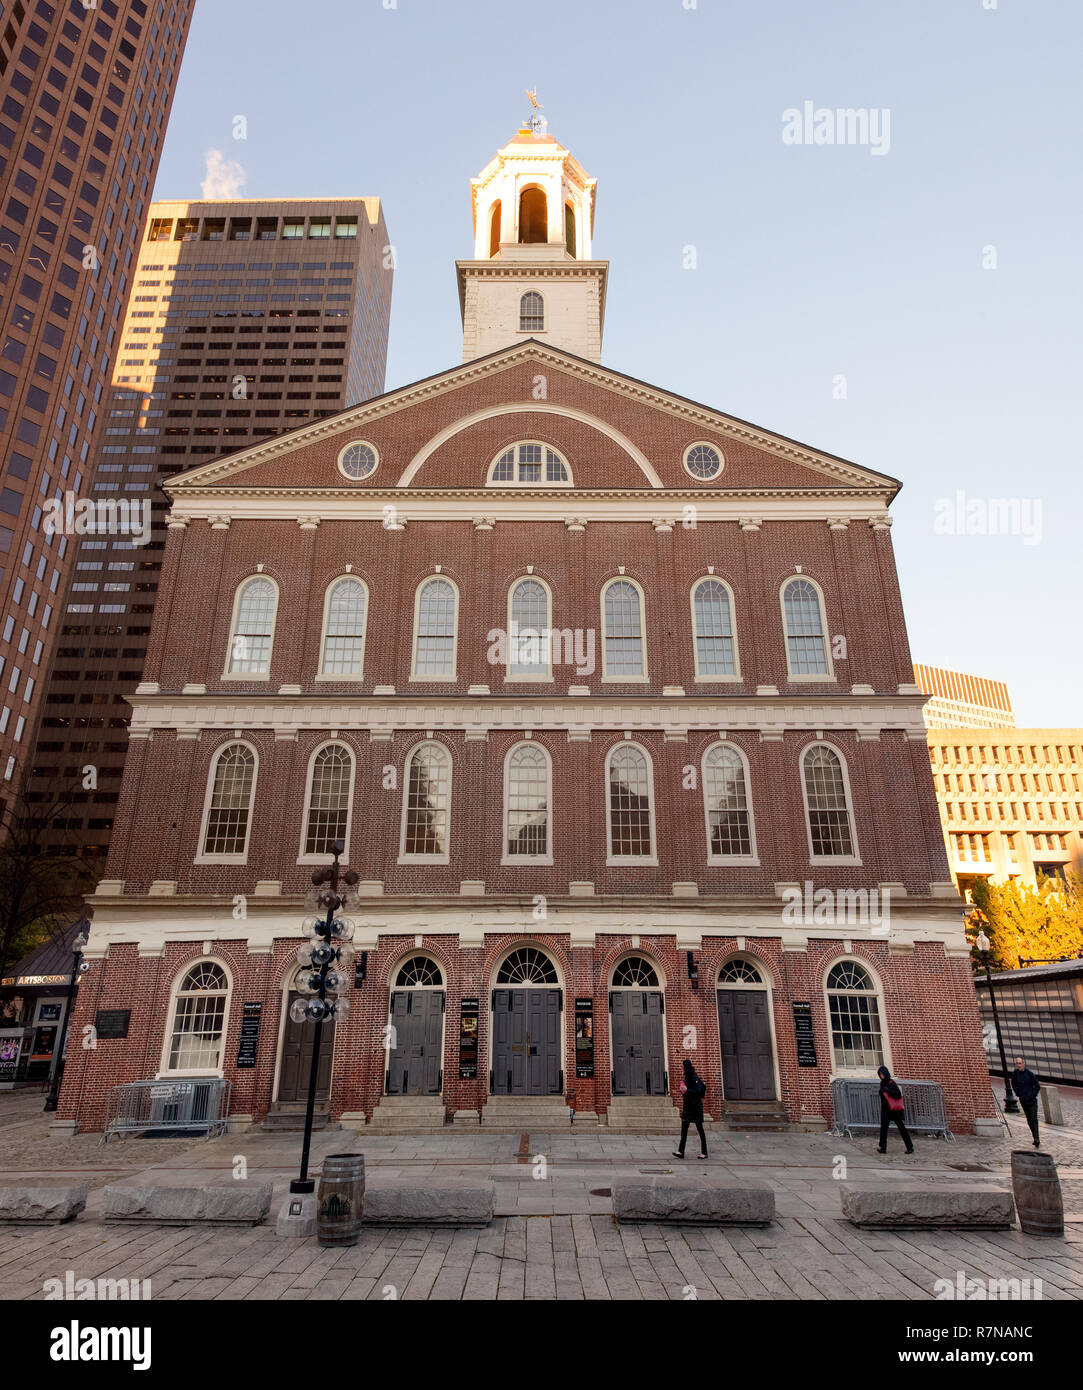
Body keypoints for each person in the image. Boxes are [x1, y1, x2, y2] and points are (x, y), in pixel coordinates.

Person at [673, 1058, 708, 1160]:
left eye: (683, 1067)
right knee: (684, 1130)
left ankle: (704, 1152)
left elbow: (697, 1091)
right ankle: (680, 1151)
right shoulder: (687, 1077)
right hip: (687, 1107)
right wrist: (683, 1088)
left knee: (700, 1129)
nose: (682, 1068)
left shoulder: (694, 1077)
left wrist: (687, 1090)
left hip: (695, 1107)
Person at [876, 1064, 914, 1155]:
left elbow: (897, 1094)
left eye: (882, 1074)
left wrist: (887, 1091)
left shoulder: (891, 1082)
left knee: (902, 1128)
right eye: (880, 1074)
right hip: (886, 1109)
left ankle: (910, 1147)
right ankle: (883, 1147)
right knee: (883, 1129)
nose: (881, 1076)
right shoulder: (882, 1083)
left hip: (894, 1110)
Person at [1010, 1056, 1042, 1147]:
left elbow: (1037, 1086)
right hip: (1023, 1100)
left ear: (1023, 1063)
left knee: (1034, 1119)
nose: (1018, 1065)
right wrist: (1018, 1093)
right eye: (1017, 1063)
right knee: (1029, 1119)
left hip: (1032, 1101)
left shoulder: (1030, 1074)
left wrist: (1033, 1094)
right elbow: (1014, 1084)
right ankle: (1034, 1137)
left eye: (1020, 1063)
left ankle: (1037, 1139)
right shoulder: (1015, 1074)